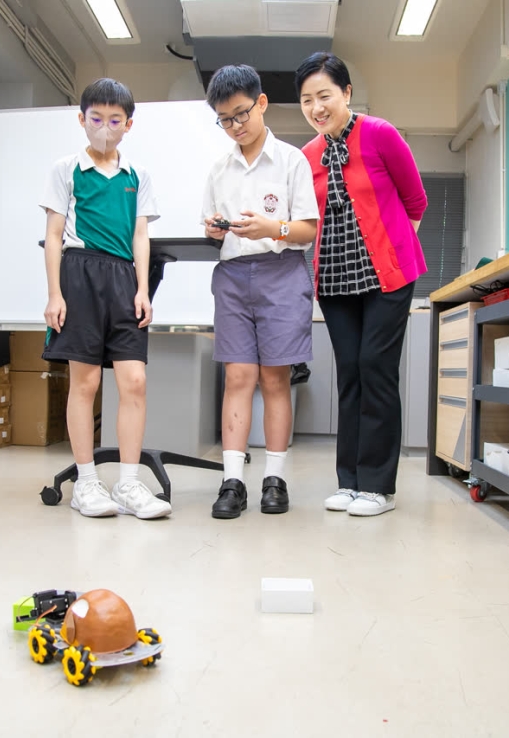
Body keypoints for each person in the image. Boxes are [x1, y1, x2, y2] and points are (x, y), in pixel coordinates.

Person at [296, 52, 428, 517]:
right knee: (350, 372)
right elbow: (308, 221)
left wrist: (392, 251)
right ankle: (349, 482)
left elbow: (415, 201)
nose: (316, 108)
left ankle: (377, 487)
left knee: (376, 367)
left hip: (387, 276)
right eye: (307, 100)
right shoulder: (307, 156)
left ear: (347, 93)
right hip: (335, 279)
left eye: (324, 96)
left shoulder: (379, 134)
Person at [39, 78, 171, 520]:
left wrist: (142, 288)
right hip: (79, 274)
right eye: (96, 119)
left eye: (115, 121)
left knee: (134, 381)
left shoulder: (138, 175)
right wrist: (55, 294)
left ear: (128, 125)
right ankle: (86, 482)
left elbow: (140, 235)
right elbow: (53, 235)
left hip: (123, 280)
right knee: (86, 383)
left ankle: (129, 484)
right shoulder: (66, 169)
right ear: (82, 119)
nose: (105, 128)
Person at [201, 65, 320, 519]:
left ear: (262, 103)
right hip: (233, 276)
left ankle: (275, 479)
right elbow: (210, 227)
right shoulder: (218, 169)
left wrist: (273, 228)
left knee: (275, 378)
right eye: (225, 120)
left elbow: (307, 230)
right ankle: (232, 481)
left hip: (281, 272)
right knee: (238, 377)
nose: (235, 125)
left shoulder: (291, 161)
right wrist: (214, 230)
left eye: (241, 114)